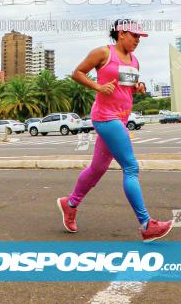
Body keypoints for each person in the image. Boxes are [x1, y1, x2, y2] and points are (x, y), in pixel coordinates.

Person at [57, 19, 174, 242]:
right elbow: (77, 73)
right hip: (105, 118)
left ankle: (70, 204)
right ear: (121, 34)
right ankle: (146, 224)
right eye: (135, 36)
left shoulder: (135, 61)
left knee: (97, 168)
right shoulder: (103, 53)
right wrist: (98, 87)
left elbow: (128, 89)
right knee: (130, 167)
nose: (138, 40)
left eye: (140, 37)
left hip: (121, 118)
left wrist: (139, 88)